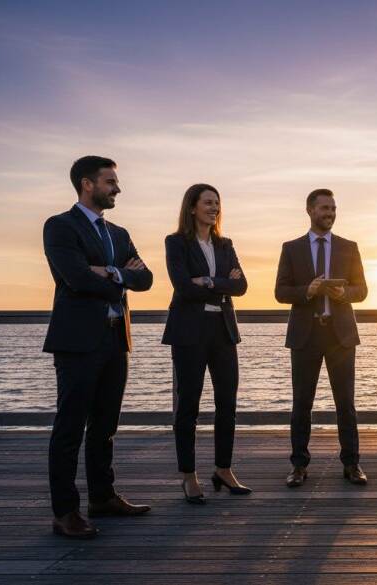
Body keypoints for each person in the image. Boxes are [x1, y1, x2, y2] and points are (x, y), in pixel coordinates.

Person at [42, 156, 153, 538]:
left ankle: (102, 497)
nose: (117, 188)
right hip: (77, 341)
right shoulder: (60, 226)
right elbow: (75, 278)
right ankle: (65, 512)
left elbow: (146, 279)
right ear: (87, 184)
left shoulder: (119, 233)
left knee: (105, 425)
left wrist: (108, 272)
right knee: (70, 427)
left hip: (115, 337)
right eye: (110, 182)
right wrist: (121, 278)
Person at [163, 184, 251, 504]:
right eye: (208, 202)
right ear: (192, 207)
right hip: (189, 332)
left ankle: (223, 469)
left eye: (217, 203)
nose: (214, 208)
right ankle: (189, 476)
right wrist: (223, 284)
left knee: (227, 403)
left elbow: (242, 286)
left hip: (223, 331)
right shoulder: (176, 242)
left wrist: (210, 281)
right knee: (188, 404)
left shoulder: (225, 244)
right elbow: (183, 287)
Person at [275, 189, 368, 487]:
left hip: (341, 335)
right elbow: (280, 292)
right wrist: (308, 291)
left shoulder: (349, 247)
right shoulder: (291, 248)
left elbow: (362, 290)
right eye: (325, 208)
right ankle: (298, 466)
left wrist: (344, 294)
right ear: (310, 210)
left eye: (333, 208)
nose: (330, 213)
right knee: (302, 403)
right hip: (306, 335)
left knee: (346, 403)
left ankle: (352, 464)